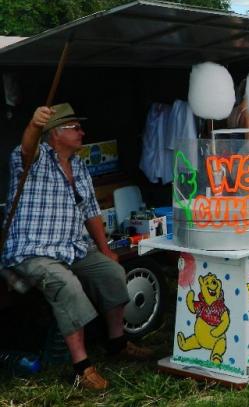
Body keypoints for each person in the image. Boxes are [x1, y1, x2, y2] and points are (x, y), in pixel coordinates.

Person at [2, 104, 152, 391]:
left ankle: (117, 343)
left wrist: (105, 249)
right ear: (55, 133)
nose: (82, 132)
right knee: (66, 285)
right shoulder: (34, 159)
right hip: (33, 250)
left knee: (112, 272)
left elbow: (91, 212)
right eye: (75, 127)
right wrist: (34, 124)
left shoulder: (80, 165)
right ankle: (82, 367)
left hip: (71, 247)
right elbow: (27, 147)